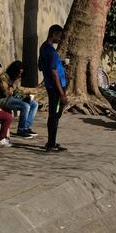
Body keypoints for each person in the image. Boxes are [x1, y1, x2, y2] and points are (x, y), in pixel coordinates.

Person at [39, 24, 67, 152]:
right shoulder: (52, 52)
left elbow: (40, 66)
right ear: (54, 34)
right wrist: (62, 93)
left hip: (50, 86)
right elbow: (54, 73)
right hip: (56, 88)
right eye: (59, 36)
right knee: (55, 115)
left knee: (54, 114)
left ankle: (51, 142)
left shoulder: (43, 48)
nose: (60, 39)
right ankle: (51, 143)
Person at [0, 60, 38, 139]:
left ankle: (26, 127)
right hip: (2, 100)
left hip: (11, 98)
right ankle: (21, 130)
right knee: (25, 106)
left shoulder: (13, 78)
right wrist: (14, 85)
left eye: (21, 73)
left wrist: (25, 96)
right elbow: (6, 93)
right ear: (14, 71)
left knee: (34, 104)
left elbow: (16, 92)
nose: (19, 75)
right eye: (19, 73)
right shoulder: (3, 77)